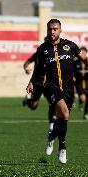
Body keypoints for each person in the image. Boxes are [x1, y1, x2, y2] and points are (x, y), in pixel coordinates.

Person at [26, 19, 88, 164]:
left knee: (62, 120)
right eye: (50, 29)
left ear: (60, 30)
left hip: (68, 88)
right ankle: (62, 147)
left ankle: (51, 137)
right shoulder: (42, 49)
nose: (52, 32)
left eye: (55, 29)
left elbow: (84, 58)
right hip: (51, 87)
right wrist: (31, 82)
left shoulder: (70, 46)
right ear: (47, 30)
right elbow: (38, 69)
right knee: (64, 113)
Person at [22, 38, 56, 135]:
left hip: (50, 83)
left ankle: (51, 124)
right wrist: (26, 68)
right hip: (38, 83)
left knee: (52, 103)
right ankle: (28, 100)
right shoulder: (40, 52)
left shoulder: (58, 53)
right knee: (33, 106)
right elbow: (27, 62)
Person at [73, 47, 88, 119]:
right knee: (83, 98)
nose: (83, 55)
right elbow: (71, 70)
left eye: (84, 53)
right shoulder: (76, 62)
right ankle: (80, 103)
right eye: (82, 53)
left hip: (87, 83)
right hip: (79, 83)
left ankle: (85, 114)